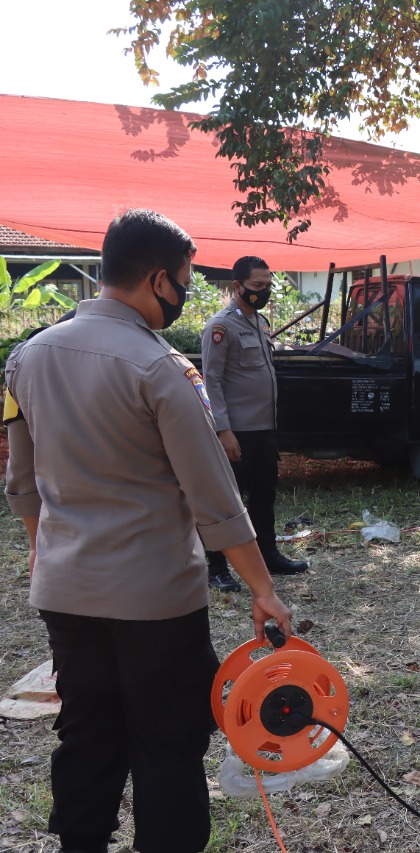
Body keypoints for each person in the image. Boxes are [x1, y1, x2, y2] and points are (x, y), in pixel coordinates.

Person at [2, 209, 293, 853]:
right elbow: (214, 497)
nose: (185, 294)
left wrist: (38, 551)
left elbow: (21, 482)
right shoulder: (162, 369)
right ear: (158, 279)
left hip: (65, 592)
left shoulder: (26, 359)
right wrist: (262, 589)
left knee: (85, 729)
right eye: (184, 280)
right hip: (155, 599)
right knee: (168, 739)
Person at [202, 255, 309, 591]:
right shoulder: (220, 327)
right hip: (236, 433)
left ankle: (269, 555)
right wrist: (223, 430)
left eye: (267, 286)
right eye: (257, 286)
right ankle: (217, 567)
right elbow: (212, 381)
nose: (263, 292)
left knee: (264, 496)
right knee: (226, 502)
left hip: (263, 430)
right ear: (237, 286)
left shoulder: (256, 323)